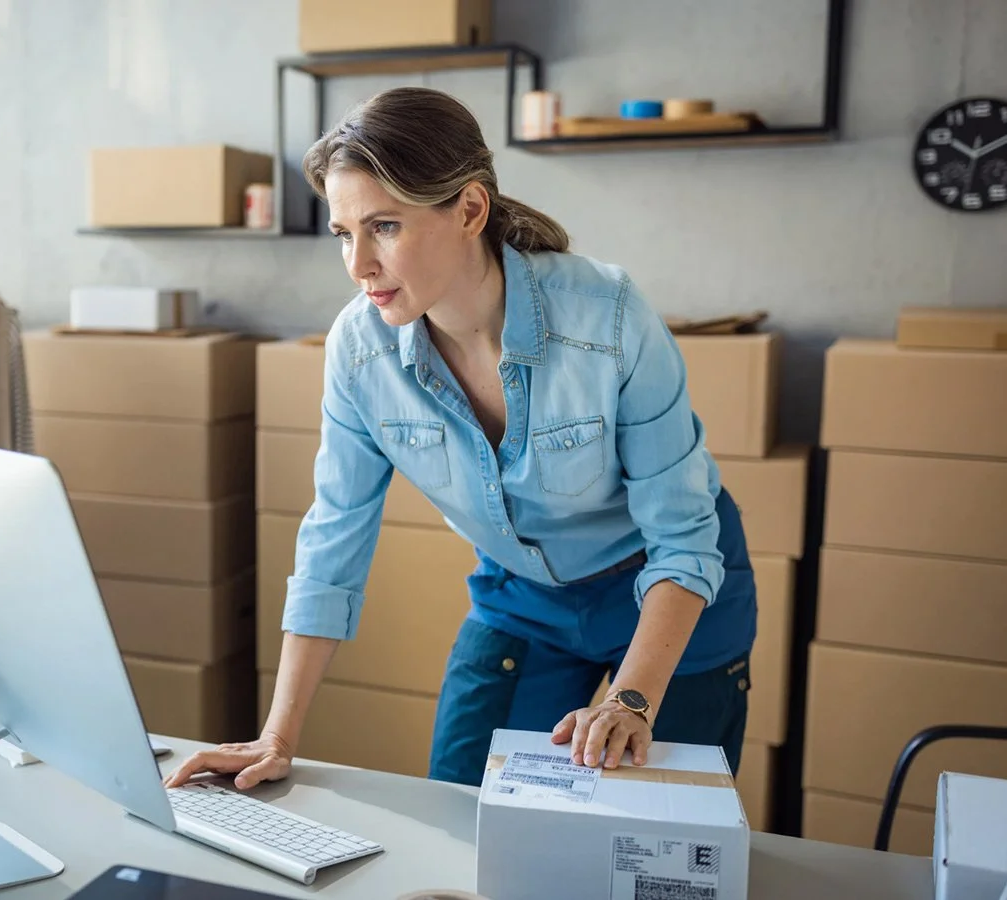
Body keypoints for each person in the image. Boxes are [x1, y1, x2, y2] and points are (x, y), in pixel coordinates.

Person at [165, 86, 756, 792]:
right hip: (523, 597)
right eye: (344, 234)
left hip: (671, 592)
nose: (358, 266)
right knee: (461, 804)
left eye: (383, 226)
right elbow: (333, 540)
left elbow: (684, 541)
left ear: (470, 209)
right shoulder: (360, 351)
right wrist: (276, 736)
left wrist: (630, 701)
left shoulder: (609, 318)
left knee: (645, 847)